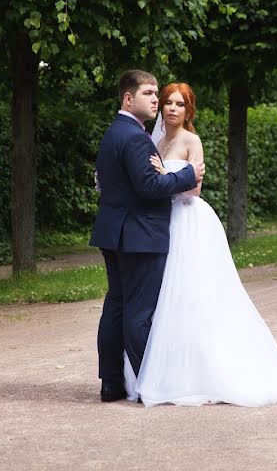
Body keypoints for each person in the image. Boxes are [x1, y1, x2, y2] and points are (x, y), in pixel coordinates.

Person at [123, 82, 277, 406]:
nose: (171, 108)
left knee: (193, 294)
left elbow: (194, 189)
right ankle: (164, 369)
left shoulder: (191, 141)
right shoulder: (153, 140)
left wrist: (162, 179)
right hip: (160, 222)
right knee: (163, 296)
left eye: (179, 104)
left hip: (188, 220)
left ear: (188, 110)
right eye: (168, 102)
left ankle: (205, 370)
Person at [90, 70, 205, 403]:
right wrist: (187, 174)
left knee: (116, 307)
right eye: (150, 94)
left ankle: (111, 382)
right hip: (140, 236)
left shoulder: (114, 133)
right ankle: (149, 384)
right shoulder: (136, 138)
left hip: (114, 232)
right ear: (129, 98)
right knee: (138, 313)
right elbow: (150, 187)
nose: (157, 100)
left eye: (160, 95)